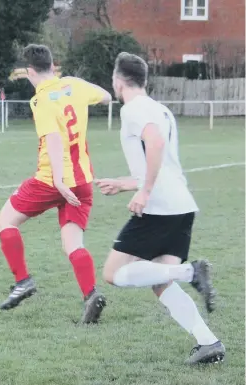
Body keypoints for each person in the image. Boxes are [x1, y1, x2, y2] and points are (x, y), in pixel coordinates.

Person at [94, 52, 225, 364]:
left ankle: (190, 271)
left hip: (159, 206)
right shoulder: (159, 109)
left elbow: (154, 144)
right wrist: (127, 184)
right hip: (181, 205)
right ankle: (209, 342)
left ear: (116, 80)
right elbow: (159, 162)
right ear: (145, 79)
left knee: (113, 273)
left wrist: (145, 191)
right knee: (159, 281)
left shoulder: (134, 109)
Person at [0, 44, 112, 324]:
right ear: (53, 66)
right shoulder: (74, 84)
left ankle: (23, 281)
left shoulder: (41, 100)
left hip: (51, 180)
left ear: (29, 72)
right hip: (83, 181)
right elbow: (108, 97)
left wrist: (58, 181)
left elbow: (53, 139)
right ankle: (90, 294)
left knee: (5, 222)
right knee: (72, 243)